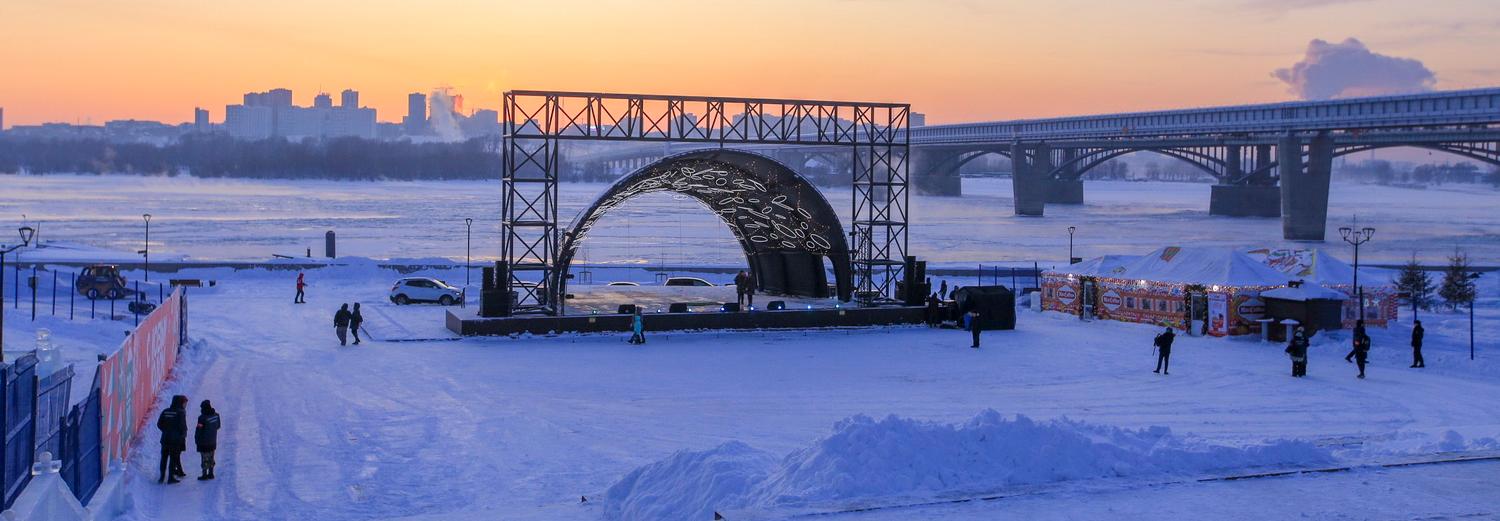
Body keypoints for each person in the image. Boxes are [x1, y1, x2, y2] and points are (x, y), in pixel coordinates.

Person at [157, 395, 189, 484]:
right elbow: (183, 427)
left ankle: (162, 477)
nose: (185, 405)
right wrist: (182, 436)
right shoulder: (180, 412)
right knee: (173, 458)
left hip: (165, 439)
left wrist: (166, 430)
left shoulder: (165, 411)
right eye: (184, 403)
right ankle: (171, 478)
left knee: (164, 458)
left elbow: (159, 424)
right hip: (175, 440)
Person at [195, 400, 221, 480]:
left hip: (204, 442)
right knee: (211, 457)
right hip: (213, 441)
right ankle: (211, 473)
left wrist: (196, 439)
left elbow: (199, 430)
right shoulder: (216, 415)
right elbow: (218, 426)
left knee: (204, 458)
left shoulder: (202, 418)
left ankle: (204, 475)